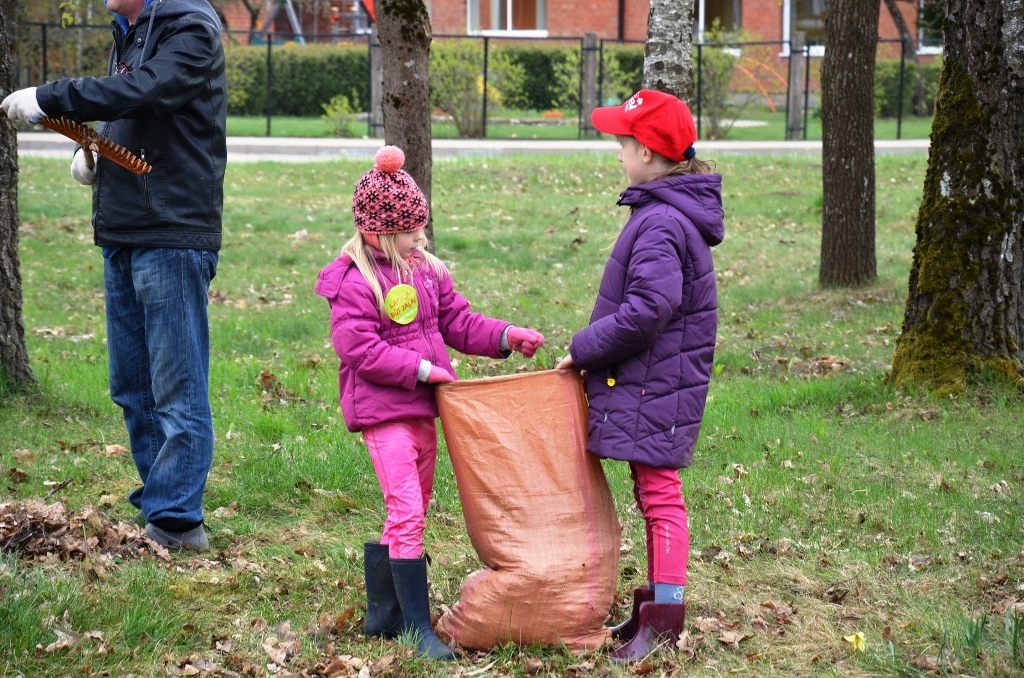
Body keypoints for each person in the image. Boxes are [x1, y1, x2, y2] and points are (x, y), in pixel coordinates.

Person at [2, 0, 227, 551]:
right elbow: (132, 113)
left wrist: (49, 97)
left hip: (172, 232)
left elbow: (144, 90)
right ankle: (159, 508)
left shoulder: (190, 29)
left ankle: (177, 522)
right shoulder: (128, 29)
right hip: (125, 229)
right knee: (133, 388)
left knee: (176, 389)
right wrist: (97, 149)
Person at [315, 145, 545, 661]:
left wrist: (506, 336)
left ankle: (386, 614)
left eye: (422, 227)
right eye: (411, 230)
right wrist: (419, 369)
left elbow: (459, 323)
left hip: (424, 410)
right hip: (384, 411)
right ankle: (419, 629)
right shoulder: (355, 280)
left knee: (409, 509)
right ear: (377, 233)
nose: (422, 237)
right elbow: (358, 348)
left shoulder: (426, 270)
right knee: (408, 510)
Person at [556, 89, 724, 661]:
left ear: (650, 154)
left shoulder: (660, 222)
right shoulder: (664, 214)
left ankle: (667, 620)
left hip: (659, 380)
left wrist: (583, 350)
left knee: (660, 494)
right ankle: (655, 606)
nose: (619, 153)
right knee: (651, 490)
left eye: (624, 143)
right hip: (658, 378)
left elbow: (648, 309)